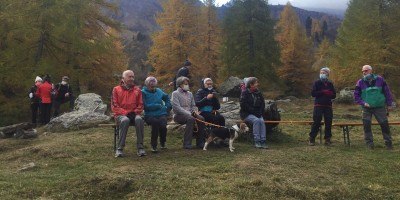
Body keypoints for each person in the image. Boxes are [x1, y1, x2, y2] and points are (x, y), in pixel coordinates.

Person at [354, 65, 393, 150]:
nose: (364, 72)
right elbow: (356, 96)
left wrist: (389, 104)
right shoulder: (360, 82)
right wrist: (363, 103)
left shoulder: (380, 79)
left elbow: (387, 92)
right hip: (366, 108)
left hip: (379, 107)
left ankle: (388, 143)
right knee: (366, 126)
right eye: (363, 71)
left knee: (384, 125)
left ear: (371, 71)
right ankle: (369, 144)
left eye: (366, 70)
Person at [111, 70, 146, 157]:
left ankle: (140, 148)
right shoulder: (116, 89)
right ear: (123, 78)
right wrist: (125, 113)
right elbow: (114, 105)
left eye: (133, 77)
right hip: (120, 115)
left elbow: (141, 104)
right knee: (125, 120)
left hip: (134, 114)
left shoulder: (137, 90)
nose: (131, 78)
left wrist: (135, 112)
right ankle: (120, 149)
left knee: (139, 120)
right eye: (129, 76)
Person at [171, 76, 205, 149]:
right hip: (179, 115)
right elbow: (176, 107)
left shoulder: (190, 94)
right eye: (185, 84)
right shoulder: (175, 93)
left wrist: (195, 111)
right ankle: (187, 143)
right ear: (180, 84)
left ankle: (200, 142)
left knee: (201, 118)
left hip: (190, 114)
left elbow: (193, 105)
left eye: (187, 83)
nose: (187, 85)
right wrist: (189, 113)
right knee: (191, 119)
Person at [142, 76, 172, 152]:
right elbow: (144, 106)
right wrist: (157, 106)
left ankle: (163, 142)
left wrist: (167, 106)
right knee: (155, 123)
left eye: (154, 85)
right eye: (151, 85)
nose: (153, 87)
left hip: (161, 113)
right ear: (147, 85)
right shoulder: (143, 92)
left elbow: (167, 98)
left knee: (163, 125)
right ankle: (153, 145)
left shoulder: (159, 91)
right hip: (149, 115)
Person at [309, 67, 336, 146]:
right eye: (321, 73)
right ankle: (312, 138)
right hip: (318, 105)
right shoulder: (317, 82)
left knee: (328, 122)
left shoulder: (330, 83)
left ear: (327, 74)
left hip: (328, 106)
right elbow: (313, 94)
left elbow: (334, 95)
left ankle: (327, 139)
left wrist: (330, 94)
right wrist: (323, 92)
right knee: (316, 122)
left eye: (324, 73)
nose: (322, 74)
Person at [239, 77, 268, 149]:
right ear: (251, 85)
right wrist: (254, 112)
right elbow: (243, 105)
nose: (257, 84)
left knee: (261, 121)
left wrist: (260, 112)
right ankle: (257, 140)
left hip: (258, 113)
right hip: (246, 114)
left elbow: (262, 104)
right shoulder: (245, 93)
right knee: (256, 120)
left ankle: (263, 140)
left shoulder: (258, 93)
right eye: (256, 83)